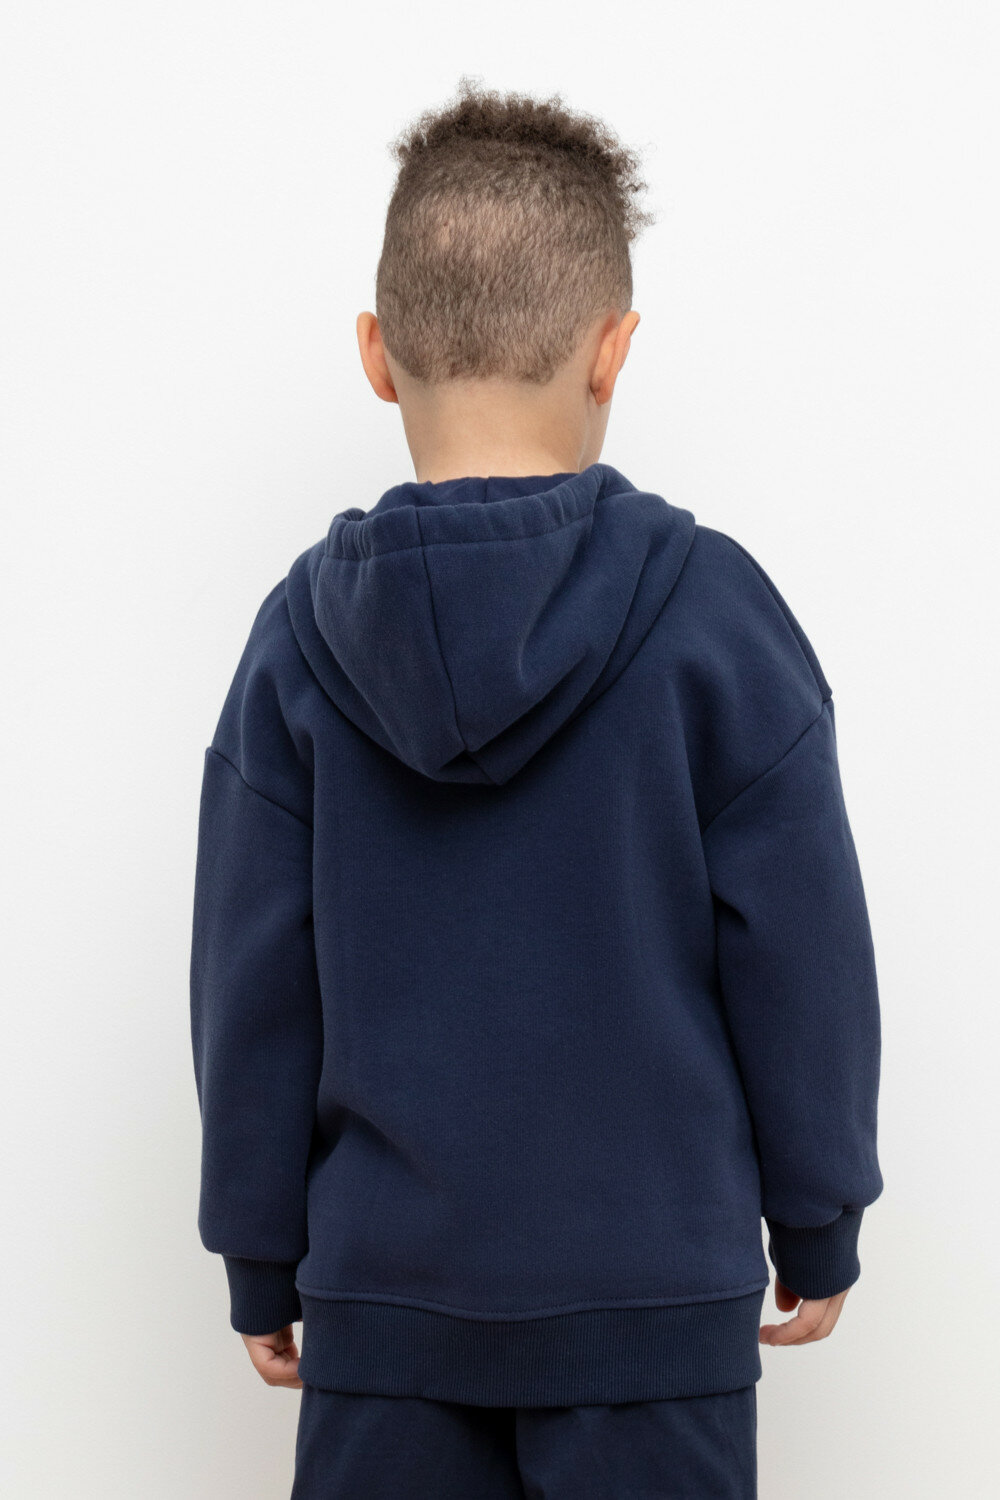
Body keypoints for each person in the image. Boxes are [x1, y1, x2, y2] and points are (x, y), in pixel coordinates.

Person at [189, 75, 883, 1499]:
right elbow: (802, 946)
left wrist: (260, 1249)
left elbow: (250, 975)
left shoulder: (296, 645)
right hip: (654, 1315)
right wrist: (818, 1213)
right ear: (613, 350)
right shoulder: (713, 617)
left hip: (385, 1312)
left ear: (378, 356)